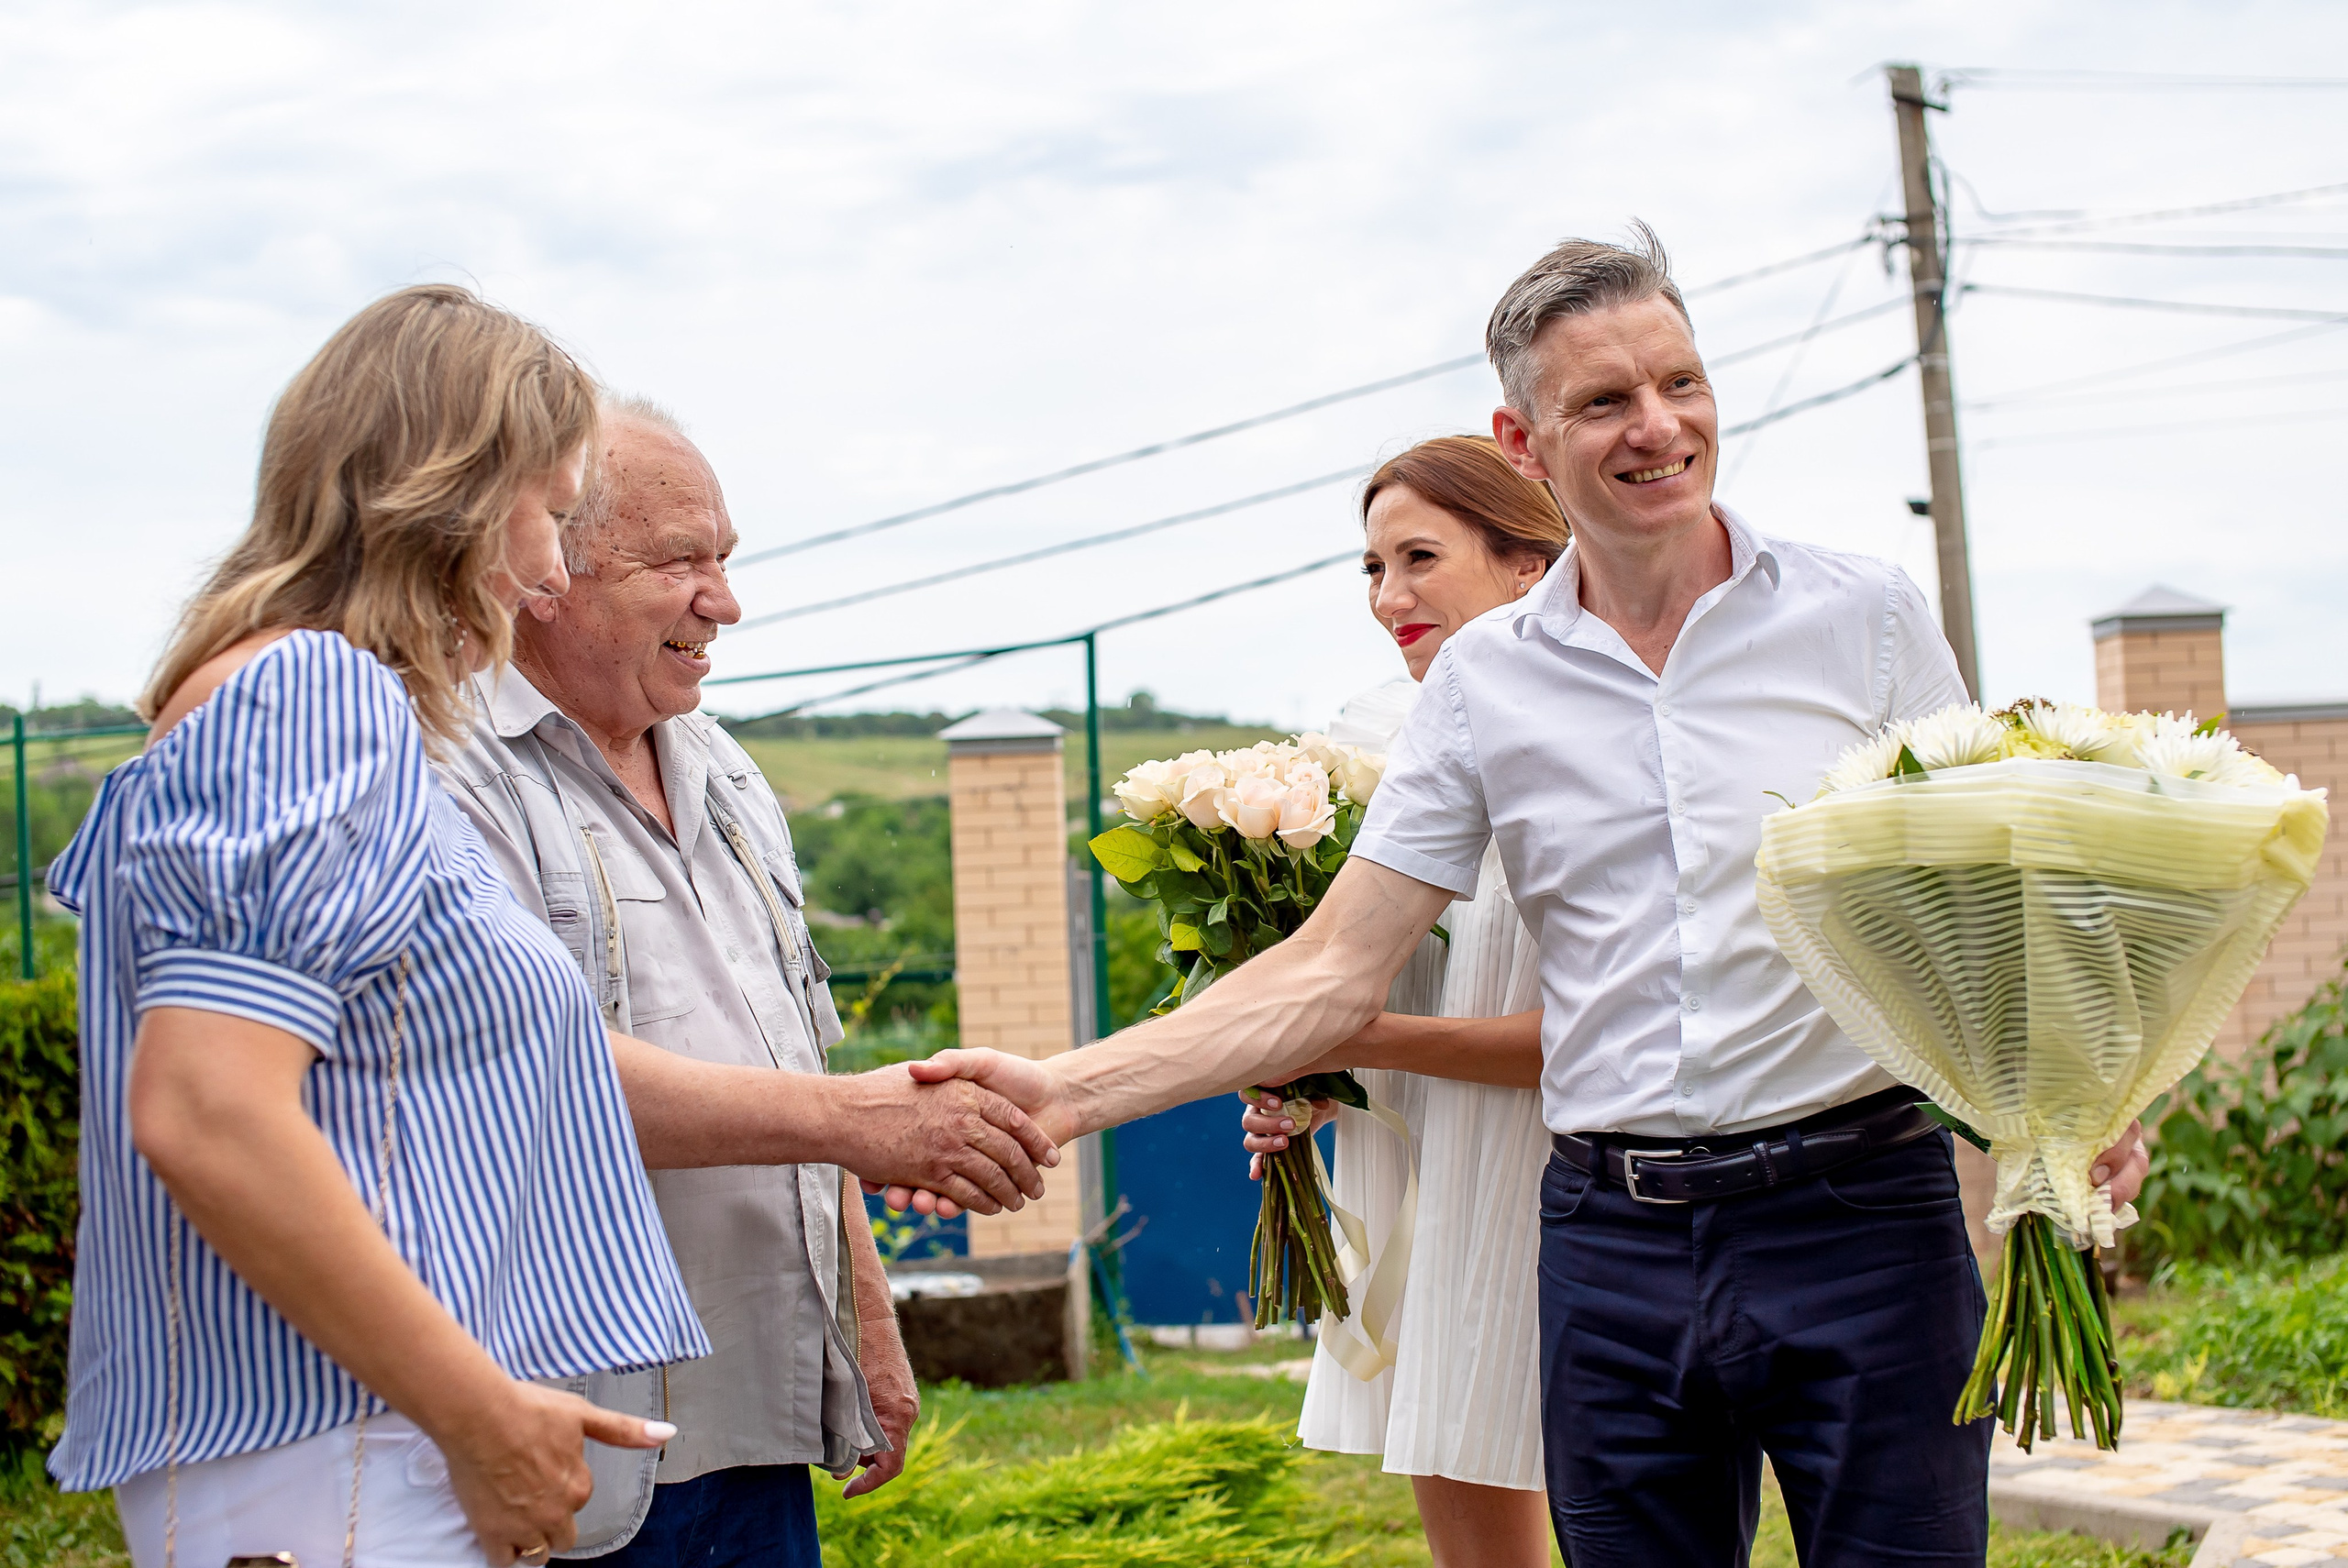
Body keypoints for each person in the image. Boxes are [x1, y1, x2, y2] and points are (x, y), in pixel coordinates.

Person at [906, 227, 2152, 1567]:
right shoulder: (1488, 681)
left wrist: (2085, 1092)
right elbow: (1334, 966)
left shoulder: (1870, 618)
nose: (1658, 426)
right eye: (1605, 401)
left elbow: (1977, 904)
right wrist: (1062, 1090)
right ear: (1525, 441)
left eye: (1681, 382)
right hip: (1614, 1250)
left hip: (1859, 1216)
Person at [47, 286, 1054, 1568]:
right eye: (547, 511)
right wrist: (478, 1412)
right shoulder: (312, 691)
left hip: (357, 1441)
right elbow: (205, 1111)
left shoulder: (298, 697)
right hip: (349, 1451)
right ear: (456, 492)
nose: (540, 568)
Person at [436, 396, 915, 1562]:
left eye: (727, 558)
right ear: (546, 565)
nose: (724, 600)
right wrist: (877, 1122)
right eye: (680, 561)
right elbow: (530, 1074)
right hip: (567, 1424)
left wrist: (866, 1317)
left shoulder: (725, 767)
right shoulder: (448, 769)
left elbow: (793, 1059)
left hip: (752, 1406)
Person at [1235, 436, 1561, 1568]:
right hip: (1428, 1178)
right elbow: (1375, 981)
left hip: (1566, 1180)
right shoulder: (1368, 745)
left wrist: (1352, 1036)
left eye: (1417, 558)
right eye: (1370, 569)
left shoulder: (1593, 746)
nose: (1388, 598)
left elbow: (1594, 1036)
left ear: (1528, 564)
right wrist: (1315, 1084)